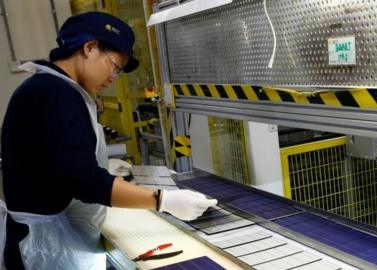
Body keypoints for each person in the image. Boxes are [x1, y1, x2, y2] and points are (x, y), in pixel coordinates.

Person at [0, 12, 217, 269]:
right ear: (90, 47)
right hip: (44, 249)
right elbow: (83, 180)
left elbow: (58, 164)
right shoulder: (58, 94)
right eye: (115, 66)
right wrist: (163, 200)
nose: (114, 77)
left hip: (42, 238)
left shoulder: (45, 87)